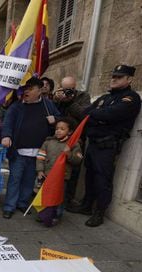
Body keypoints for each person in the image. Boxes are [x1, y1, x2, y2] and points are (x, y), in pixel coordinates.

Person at [69, 65, 141, 227]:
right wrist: (98, 117)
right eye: (113, 76)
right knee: (90, 176)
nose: (114, 79)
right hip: (93, 144)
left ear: (129, 79)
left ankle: (99, 212)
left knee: (103, 180)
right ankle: (86, 206)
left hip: (108, 146)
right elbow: (86, 114)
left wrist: (96, 116)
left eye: (119, 77)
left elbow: (111, 114)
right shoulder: (104, 98)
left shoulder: (130, 98)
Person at [1, 77, 60, 219]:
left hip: (38, 152)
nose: (26, 91)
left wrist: (55, 120)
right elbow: (8, 122)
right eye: (25, 88)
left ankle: (22, 203)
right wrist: (7, 135)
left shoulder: (48, 105)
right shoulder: (17, 106)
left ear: (39, 90)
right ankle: (9, 206)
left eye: (30, 88)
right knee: (15, 178)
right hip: (19, 151)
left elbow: (60, 121)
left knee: (29, 179)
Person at [36, 117, 83, 226]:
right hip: (47, 175)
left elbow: (78, 160)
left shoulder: (74, 145)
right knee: (45, 195)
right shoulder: (48, 142)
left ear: (70, 131)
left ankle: (56, 215)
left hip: (62, 177)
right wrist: (39, 170)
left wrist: (69, 154)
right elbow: (40, 156)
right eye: (57, 128)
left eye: (62, 129)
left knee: (58, 197)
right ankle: (44, 214)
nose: (58, 131)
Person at [53, 76, 91, 206]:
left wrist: (70, 102)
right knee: (55, 165)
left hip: (76, 138)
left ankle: (67, 199)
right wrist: (57, 100)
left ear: (75, 86)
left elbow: (85, 114)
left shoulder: (83, 96)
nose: (68, 92)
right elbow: (54, 115)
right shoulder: (58, 97)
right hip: (58, 138)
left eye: (71, 89)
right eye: (65, 89)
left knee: (73, 170)